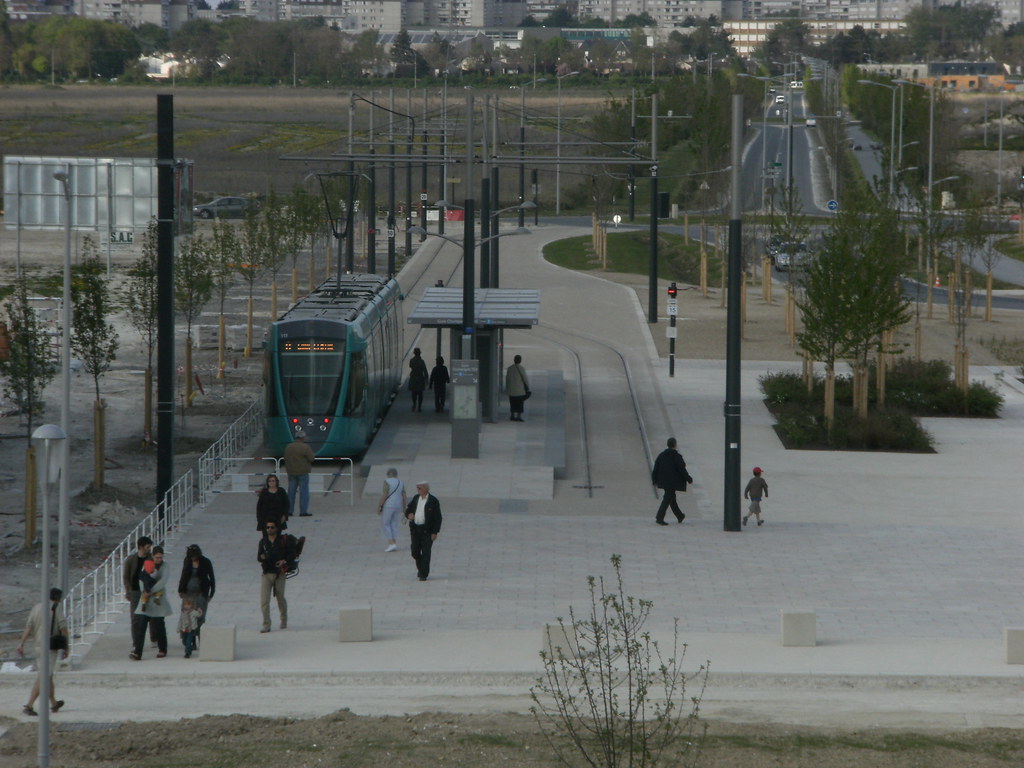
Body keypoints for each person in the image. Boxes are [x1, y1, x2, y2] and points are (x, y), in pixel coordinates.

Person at [18, 587, 68, 716]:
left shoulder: (36, 608)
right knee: (44, 677)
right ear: (58, 598)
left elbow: (28, 627)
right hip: (50, 648)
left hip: (38, 646)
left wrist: (21, 643)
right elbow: (63, 628)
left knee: (48, 676)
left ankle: (54, 703)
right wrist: (67, 647)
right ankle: (29, 705)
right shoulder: (56, 608)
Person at [130, 546, 172, 660]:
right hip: (146, 600)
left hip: (157, 599)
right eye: (157, 557)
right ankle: (137, 652)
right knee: (141, 625)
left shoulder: (165, 566)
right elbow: (142, 579)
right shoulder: (147, 564)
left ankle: (162, 649)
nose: (159, 559)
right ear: (153, 556)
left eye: (161, 557)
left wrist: (150, 591)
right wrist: (144, 591)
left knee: (159, 626)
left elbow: (162, 581)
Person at [257, 521, 296, 632]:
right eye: (267, 527)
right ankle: (266, 624)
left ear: (277, 528)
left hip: (279, 573)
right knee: (264, 601)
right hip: (267, 573)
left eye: (272, 527)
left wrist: (284, 561)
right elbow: (258, 557)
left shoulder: (283, 541)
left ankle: (283, 620)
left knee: (280, 598)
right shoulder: (263, 542)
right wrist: (262, 557)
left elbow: (291, 554)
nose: (269, 529)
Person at [123, 535, 157, 646]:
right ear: (141, 547)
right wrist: (128, 590)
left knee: (151, 616)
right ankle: (136, 641)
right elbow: (126, 576)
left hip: (148, 592)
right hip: (135, 592)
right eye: (147, 547)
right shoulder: (131, 559)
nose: (149, 549)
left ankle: (154, 638)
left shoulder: (151, 559)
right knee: (135, 618)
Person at [651, 437, 693, 526]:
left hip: (663, 481)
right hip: (672, 482)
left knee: (671, 498)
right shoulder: (676, 457)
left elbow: (656, 468)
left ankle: (680, 515)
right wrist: (689, 479)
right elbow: (682, 469)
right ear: (675, 445)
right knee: (667, 499)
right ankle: (659, 517)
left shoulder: (661, 455)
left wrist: (654, 479)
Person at [405, 481, 442, 581]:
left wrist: (435, 532)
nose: (418, 490)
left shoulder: (433, 501)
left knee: (426, 553)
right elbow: (408, 509)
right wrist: (408, 515)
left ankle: (423, 574)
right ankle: (421, 568)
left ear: (426, 489)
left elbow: (437, 518)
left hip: (427, 531)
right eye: (417, 488)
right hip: (415, 530)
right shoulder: (416, 498)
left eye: (419, 488)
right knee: (415, 551)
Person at [177, 544, 215, 630]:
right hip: (188, 594)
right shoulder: (187, 561)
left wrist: (211, 593)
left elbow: (211, 577)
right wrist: (180, 589)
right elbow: (183, 575)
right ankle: (189, 639)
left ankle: (199, 635)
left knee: (199, 616)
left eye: (194, 557)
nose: (193, 559)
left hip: (201, 594)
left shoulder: (206, 562)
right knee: (187, 616)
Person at [284, 431, 315, 517]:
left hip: (291, 472)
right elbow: (312, 458)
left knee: (291, 492)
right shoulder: (305, 447)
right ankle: (303, 511)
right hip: (303, 472)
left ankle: (289, 511)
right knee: (304, 492)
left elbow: (285, 458)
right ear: (302, 438)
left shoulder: (288, 447)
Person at [378, 467, 407, 553]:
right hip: (398, 505)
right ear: (396, 474)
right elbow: (404, 495)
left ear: (388, 474)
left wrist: (380, 506)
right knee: (394, 523)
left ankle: (391, 543)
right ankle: (394, 542)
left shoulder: (386, 482)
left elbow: (385, 494)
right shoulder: (401, 482)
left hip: (389, 505)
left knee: (385, 523)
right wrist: (404, 507)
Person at [505, 354, 530, 422]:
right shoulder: (521, 368)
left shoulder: (509, 368)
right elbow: (525, 379)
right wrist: (528, 386)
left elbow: (507, 379)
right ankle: (519, 416)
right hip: (519, 390)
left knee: (512, 403)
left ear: (514, 360)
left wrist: (507, 388)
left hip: (511, 390)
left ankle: (512, 415)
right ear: (520, 361)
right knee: (520, 403)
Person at [408, 348, 428, 412]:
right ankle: (419, 407)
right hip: (420, 378)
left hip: (413, 378)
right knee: (420, 394)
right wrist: (427, 378)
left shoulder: (411, 360)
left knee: (413, 393)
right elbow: (425, 371)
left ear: (414, 353)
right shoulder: (422, 361)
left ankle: (414, 404)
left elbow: (410, 366)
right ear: (419, 353)